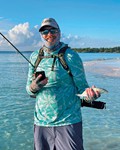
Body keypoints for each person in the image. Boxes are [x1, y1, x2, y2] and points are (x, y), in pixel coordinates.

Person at [26, 18, 100, 150]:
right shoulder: (34, 57)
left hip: (69, 120)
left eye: (53, 30)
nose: (49, 34)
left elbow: (82, 88)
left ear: (59, 32)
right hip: (41, 122)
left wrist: (90, 95)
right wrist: (34, 87)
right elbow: (28, 90)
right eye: (45, 32)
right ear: (41, 36)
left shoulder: (71, 56)